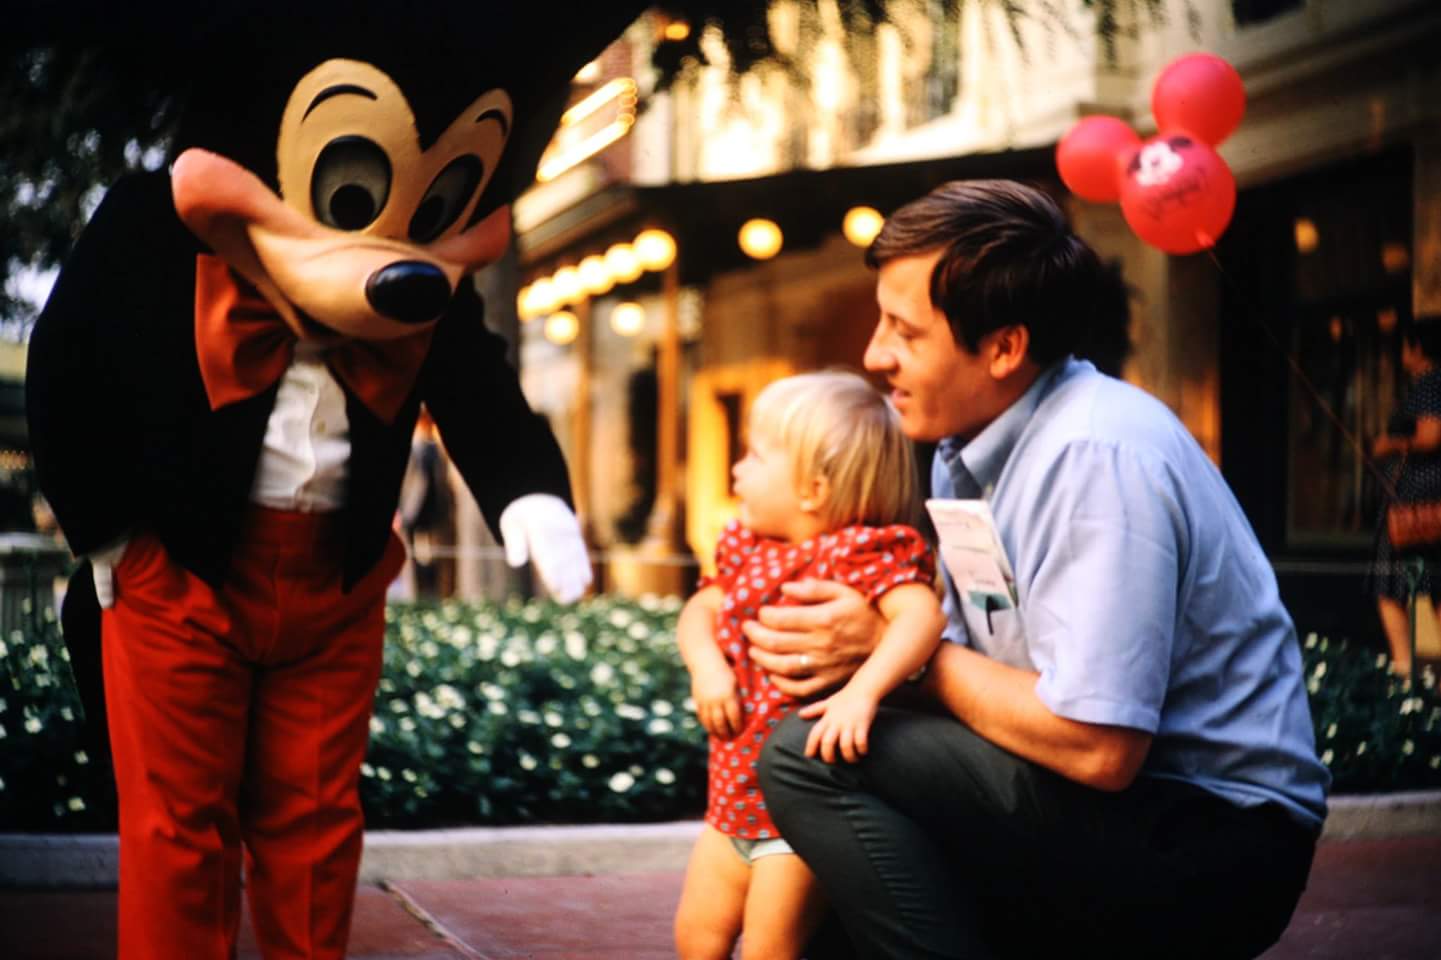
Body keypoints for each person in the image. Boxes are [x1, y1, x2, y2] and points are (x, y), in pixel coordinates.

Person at [745, 180, 1330, 959]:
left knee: (805, 758)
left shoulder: (1095, 455)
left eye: (904, 331)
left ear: (1003, 348)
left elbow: (1098, 746)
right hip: (1099, 803)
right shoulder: (965, 450)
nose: (873, 355)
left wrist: (892, 656)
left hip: (1209, 838)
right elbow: (988, 676)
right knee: (827, 919)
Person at [672, 370, 945, 960]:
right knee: (695, 935)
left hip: (794, 817)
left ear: (814, 489)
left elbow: (922, 617)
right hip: (729, 801)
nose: (736, 471)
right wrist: (706, 667)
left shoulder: (862, 555)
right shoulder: (747, 547)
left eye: (754, 456)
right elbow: (699, 609)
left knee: (771, 947)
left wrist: (862, 692)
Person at [1370, 316, 1441, 678]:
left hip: (1416, 504)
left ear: (1417, 348)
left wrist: (1389, 444)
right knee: (1432, 589)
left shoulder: (1430, 384)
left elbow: (1431, 436)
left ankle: (1404, 674)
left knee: (1390, 588)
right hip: (1428, 501)